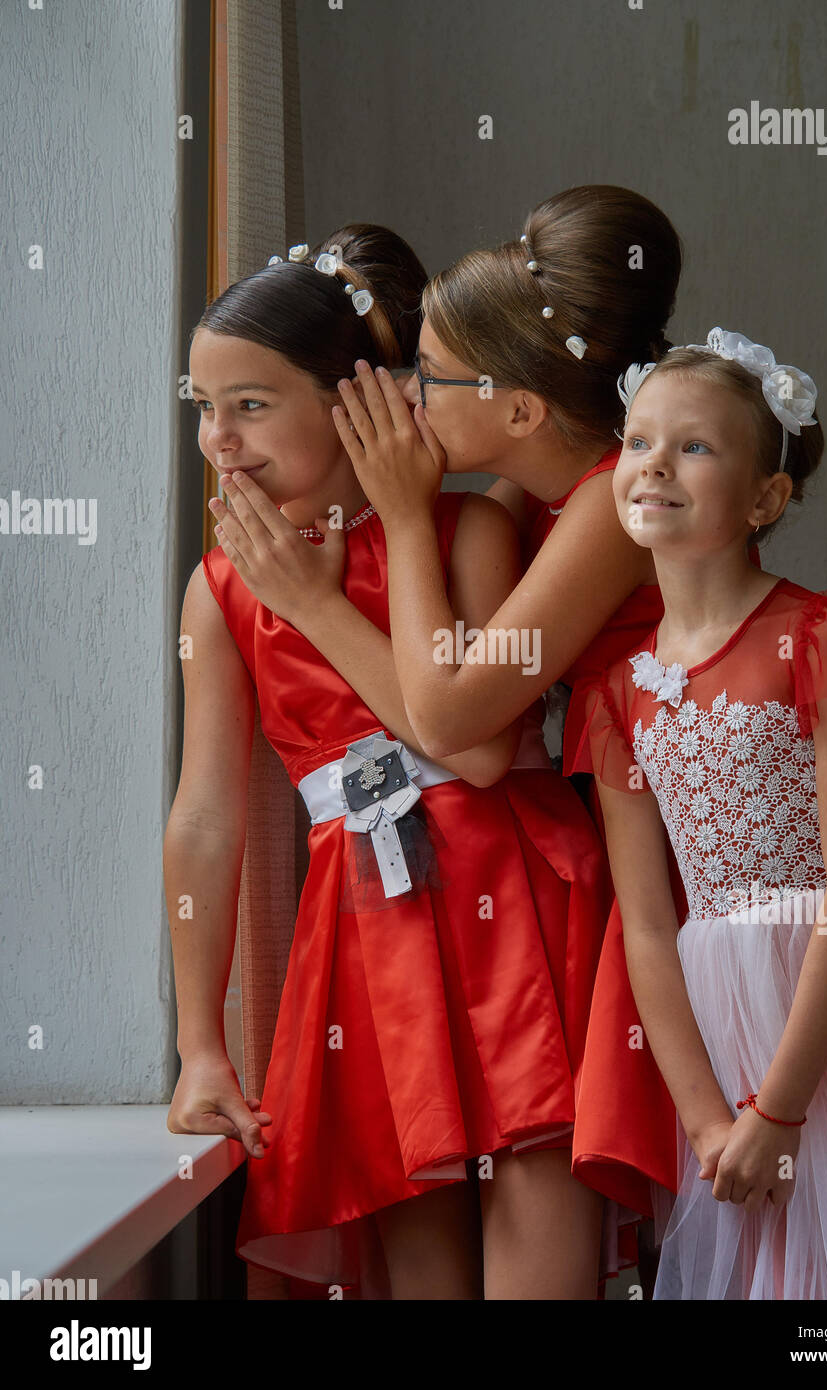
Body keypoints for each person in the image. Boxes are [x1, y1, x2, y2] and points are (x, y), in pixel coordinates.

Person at [216, 188, 705, 1272]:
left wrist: (383, 529)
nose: (404, 396)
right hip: (643, 851)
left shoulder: (611, 505)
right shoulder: (532, 509)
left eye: (427, 375)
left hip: (720, 867)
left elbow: (453, 721)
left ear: (520, 411)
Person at [163, 224, 613, 1300]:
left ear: (357, 401)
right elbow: (206, 820)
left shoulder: (464, 533)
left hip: (519, 919)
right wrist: (199, 1047)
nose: (220, 440)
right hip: (370, 941)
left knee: (540, 1247)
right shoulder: (220, 593)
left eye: (252, 404)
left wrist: (315, 604)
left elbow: (478, 745)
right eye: (203, 409)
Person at [582, 326, 827, 1298]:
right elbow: (645, 928)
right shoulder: (614, 692)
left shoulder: (821, 633)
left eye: (696, 446)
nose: (655, 465)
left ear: (766, 497)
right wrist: (712, 1119)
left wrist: (780, 1110)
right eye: (637, 442)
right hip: (724, 1014)